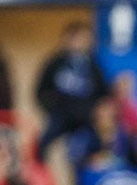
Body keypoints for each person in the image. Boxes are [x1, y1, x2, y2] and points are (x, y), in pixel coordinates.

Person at [34, 22, 109, 160]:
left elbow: (104, 92)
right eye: (79, 38)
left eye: (85, 38)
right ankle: (39, 179)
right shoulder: (55, 63)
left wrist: (97, 110)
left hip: (86, 117)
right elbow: (40, 91)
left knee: (97, 147)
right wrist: (52, 108)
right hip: (61, 115)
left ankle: (90, 179)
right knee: (41, 147)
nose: (82, 42)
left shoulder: (92, 64)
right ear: (68, 39)